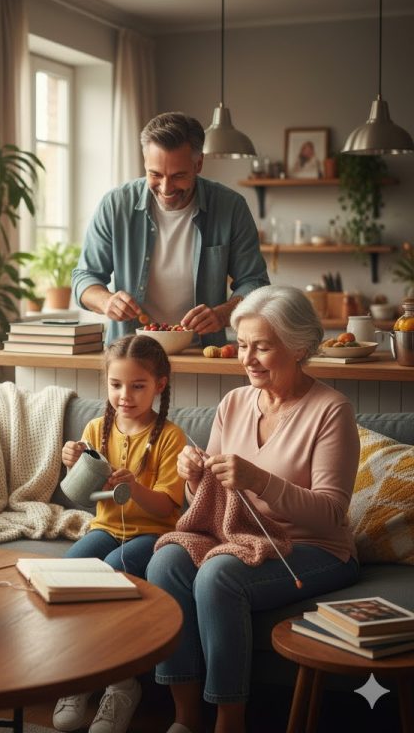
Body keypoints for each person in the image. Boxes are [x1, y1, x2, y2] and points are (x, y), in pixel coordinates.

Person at [146, 285, 361, 733]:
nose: (247, 358)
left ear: (299, 347)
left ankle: (230, 720)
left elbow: (330, 514)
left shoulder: (331, 411)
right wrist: (193, 476)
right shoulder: (234, 402)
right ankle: (185, 717)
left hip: (314, 548)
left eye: (262, 347)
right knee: (165, 561)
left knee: (219, 574)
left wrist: (260, 480)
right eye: (243, 345)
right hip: (240, 535)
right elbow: (211, 501)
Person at [53, 334, 186, 733]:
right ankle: (79, 676)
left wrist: (135, 487)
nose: (124, 395)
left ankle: (120, 683)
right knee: (69, 571)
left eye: (137, 386)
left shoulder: (170, 437)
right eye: (116, 385)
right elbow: (80, 496)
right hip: (106, 526)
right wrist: (69, 461)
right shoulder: (96, 428)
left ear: (159, 384)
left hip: (152, 534)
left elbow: (167, 508)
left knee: (113, 569)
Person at [72, 111, 269, 347]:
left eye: (178, 176)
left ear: (198, 164)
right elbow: (84, 278)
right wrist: (106, 301)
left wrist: (222, 314)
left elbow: (255, 283)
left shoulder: (231, 207)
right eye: (155, 174)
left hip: (202, 351)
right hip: (130, 352)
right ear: (144, 163)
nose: (166, 188)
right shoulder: (115, 205)